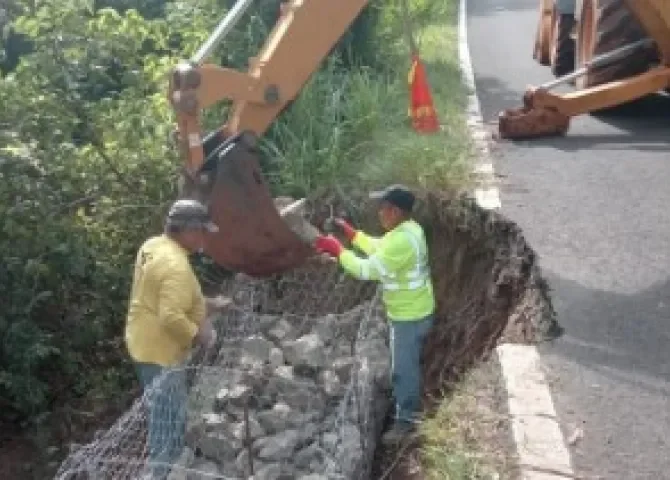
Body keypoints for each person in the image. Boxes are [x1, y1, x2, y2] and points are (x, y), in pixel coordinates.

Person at [314, 184, 436, 445]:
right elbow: (378, 247)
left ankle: (407, 424)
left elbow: (366, 270)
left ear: (394, 211)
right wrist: (352, 234)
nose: (379, 212)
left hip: (409, 317)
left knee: (404, 370)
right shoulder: (408, 231)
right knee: (405, 365)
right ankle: (405, 406)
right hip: (414, 310)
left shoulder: (402, 240)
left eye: (382, 207)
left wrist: (338, 250)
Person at [124, 198, 219, 479]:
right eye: (202, 231)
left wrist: (206, 304)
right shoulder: (176, 265)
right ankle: (162, 471)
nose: (204, 238)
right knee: (166, 419)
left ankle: (174, 463)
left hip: (141, 338)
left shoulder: (153, 245)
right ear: (187, 231)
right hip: (160, 351)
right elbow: (171, 317)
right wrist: (200, 334)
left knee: (167, 409)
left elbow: (160, 295)